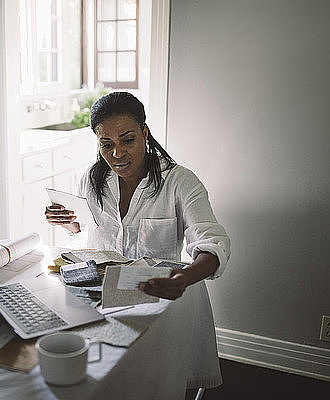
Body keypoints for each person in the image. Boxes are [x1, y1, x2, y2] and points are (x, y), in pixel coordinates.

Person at [45, 92, 230, 300]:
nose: (117, 153)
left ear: (145, 132)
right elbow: (87, 232)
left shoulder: (180, 182)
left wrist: (184, 277)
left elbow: (213, 244)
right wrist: (66, 222)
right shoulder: (91, 179)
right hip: (100, 295)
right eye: (107, 144)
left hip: (157, 295)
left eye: (128, 140)